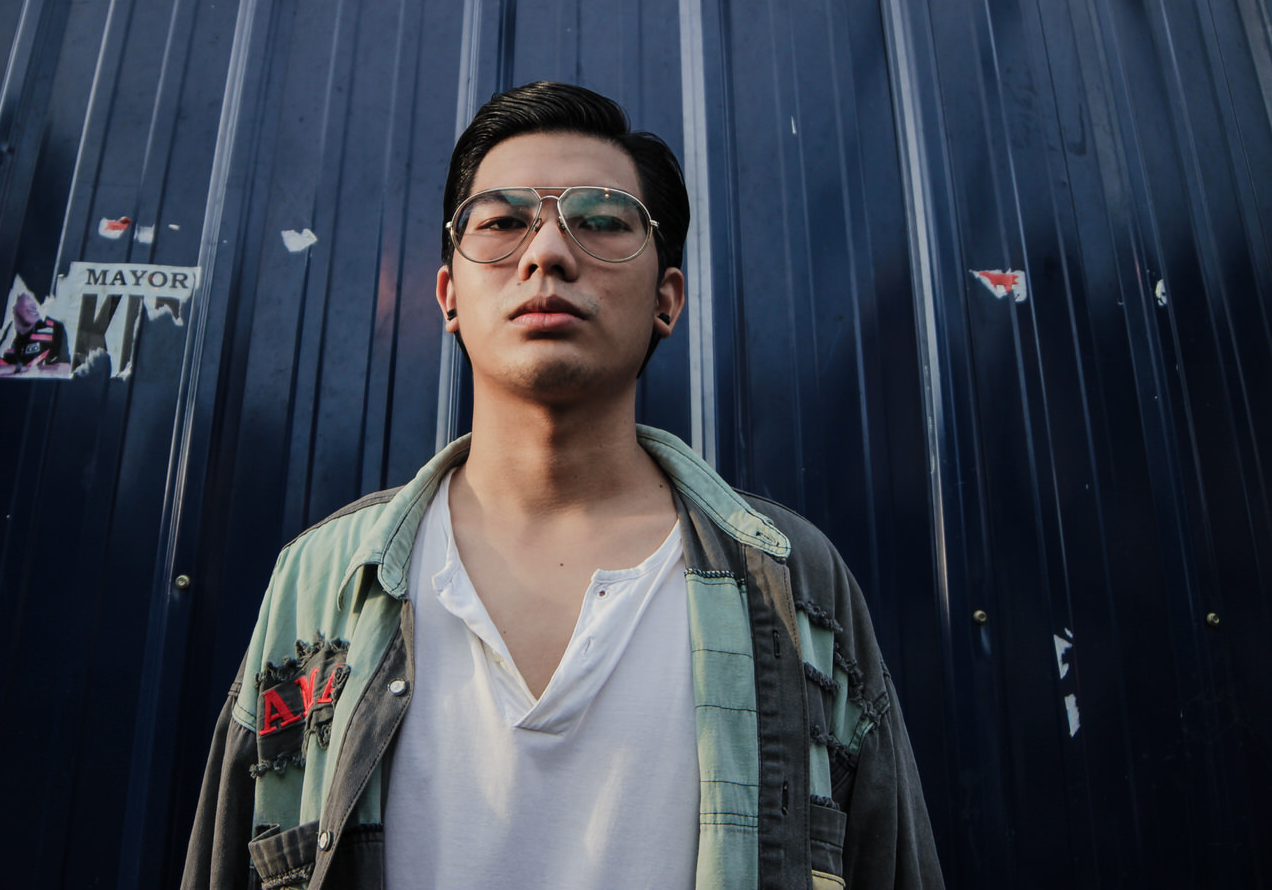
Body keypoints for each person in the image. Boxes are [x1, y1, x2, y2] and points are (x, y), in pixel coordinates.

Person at [182, 82, 943, 889]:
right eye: (502, 222)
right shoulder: (322, 581)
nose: (546, 252)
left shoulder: (794, 586)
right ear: (449, 295)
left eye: (603, 221)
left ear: (666, 300)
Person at [0, 291, 71, 376]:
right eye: (31, 297)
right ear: (16, 296)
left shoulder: (55, 329)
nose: (37, 305)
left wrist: (17, 369)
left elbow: (64, 371)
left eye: (44, 299)